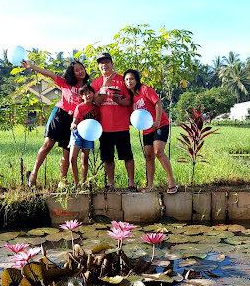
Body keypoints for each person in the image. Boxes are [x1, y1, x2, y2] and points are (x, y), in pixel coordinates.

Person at [21, 59, 88, 188]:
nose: (80, 71)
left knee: (67, 152)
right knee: (47, 145)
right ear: (72, 73)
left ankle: (62, 181)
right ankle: (33, 175)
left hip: (74, 121)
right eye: (77, 70)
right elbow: (49, 74)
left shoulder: (86, 88)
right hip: (59, 115)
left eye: (81, 68)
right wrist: (32, 66)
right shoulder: (65, 83)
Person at [123, 68, 178, 194]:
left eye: (131, 78)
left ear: (136, 79)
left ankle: (171, 180)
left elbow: (157, 103)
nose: (129, 81)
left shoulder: (145, 89)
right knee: (148, 156)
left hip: (160, 124)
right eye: (126, 80)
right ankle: (150, 185)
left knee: (158, 151)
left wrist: (157, 121)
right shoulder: (132, 98)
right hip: (146, 128)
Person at [92, 52, 136, 192]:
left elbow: (129, 100)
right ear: (99, 66)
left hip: (121, 126)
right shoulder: (96, 83)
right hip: (104, 128)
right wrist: (103, 87)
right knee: (108, 158)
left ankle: (131, 183)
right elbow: (96, 103)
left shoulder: (122, 80)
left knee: (127, 156)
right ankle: (111, 184)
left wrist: (120, 101)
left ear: (112, 64)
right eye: (101, 63)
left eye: (106, 62)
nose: (104, 65)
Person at [69, 83, 100, 186]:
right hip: (77, 133)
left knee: (85, 158)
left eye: (90, 92)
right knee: (72, 158)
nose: (88, 95)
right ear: (81, 96)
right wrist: (73, 125)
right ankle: (76, 182)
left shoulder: (97, 108)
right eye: (85, 93)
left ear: (93, 93)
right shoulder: (80, 107)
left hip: (89, 134)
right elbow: (75, 120)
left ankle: (83, 182)